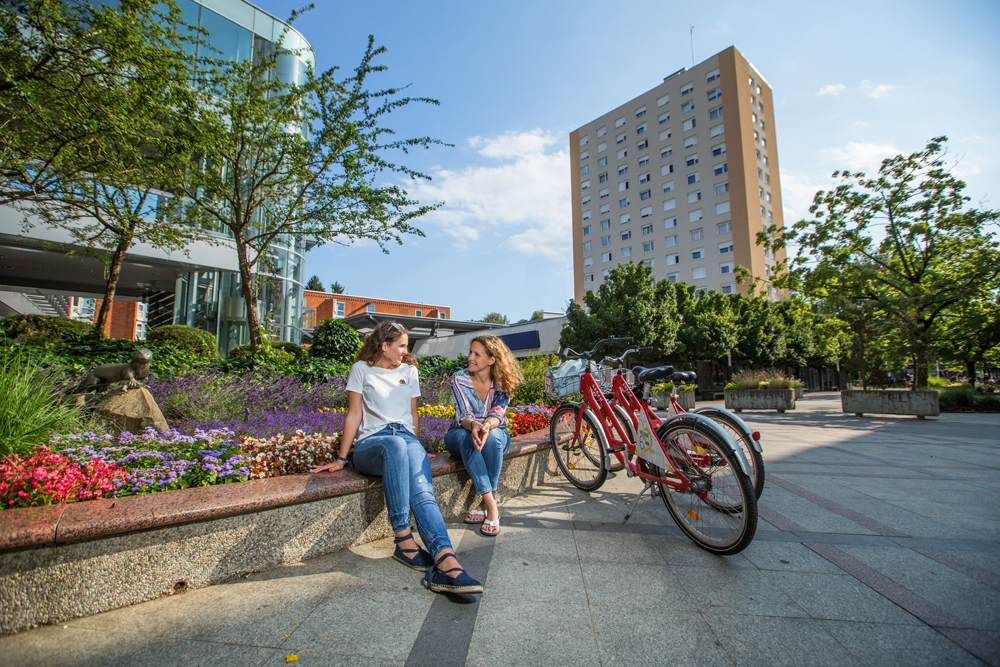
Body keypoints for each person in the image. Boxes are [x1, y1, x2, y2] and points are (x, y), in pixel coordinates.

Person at [310, 321, 482, 595]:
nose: (406, 350)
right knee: (395, 446)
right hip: (372, 444)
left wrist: (417, 445)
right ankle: (403, 537)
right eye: (401, 345)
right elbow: (354, 414)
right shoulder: (361, 370)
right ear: (384, 346)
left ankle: (446, 559)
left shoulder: (410, 371)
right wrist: (342, 458)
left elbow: (412, 415)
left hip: (405, 439)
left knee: (422, 489)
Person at [444, 335, 523, 537]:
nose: (470, 357)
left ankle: (483, 502)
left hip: (494, 434)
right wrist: (475, 426)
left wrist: (486, 426)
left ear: (491, 360)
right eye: (471, 352)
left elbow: (498, 413)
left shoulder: (503, 381)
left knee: (495, 437)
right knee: (466, 435)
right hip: (460, 434)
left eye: (476, 354)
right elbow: (463, 416)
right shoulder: (458, 379)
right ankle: (491, 504)